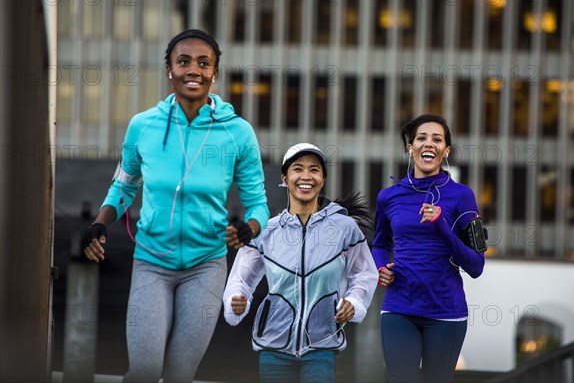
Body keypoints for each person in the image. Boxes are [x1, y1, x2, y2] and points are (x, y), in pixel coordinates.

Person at [81, 29, 269, 382]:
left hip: (207, 266)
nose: (193, 70)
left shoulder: (238, 133)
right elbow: (124, 186)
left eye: (203, 63)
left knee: (181, 375)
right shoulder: (144, 126)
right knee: (145, 371)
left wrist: (249, 228)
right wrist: (100, 224)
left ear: (215, 72)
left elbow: (258, 203)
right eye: (183, 62)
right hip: (152, 262)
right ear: (169, 70)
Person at [223, 143, 378, 383]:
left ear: (323, 179)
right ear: (285, 178)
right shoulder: (266, 230)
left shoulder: (345, 228)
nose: (306, 176)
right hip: (273, 345)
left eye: (314, 170)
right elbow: (241, 279)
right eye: (298, 169)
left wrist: (354, 301)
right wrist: (236, 299)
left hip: (322, 345)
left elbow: (365, 274)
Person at [372, 114, 485, 383]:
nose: (429, 144)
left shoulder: (462, 196)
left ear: (446, 151)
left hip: (446, 313)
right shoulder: (388, 196)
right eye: (421, 138)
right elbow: (380, 243)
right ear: (409, 147)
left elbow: (476, 266)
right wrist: (380, 268)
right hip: (399, 309)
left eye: (437, 139)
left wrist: (442, 226)